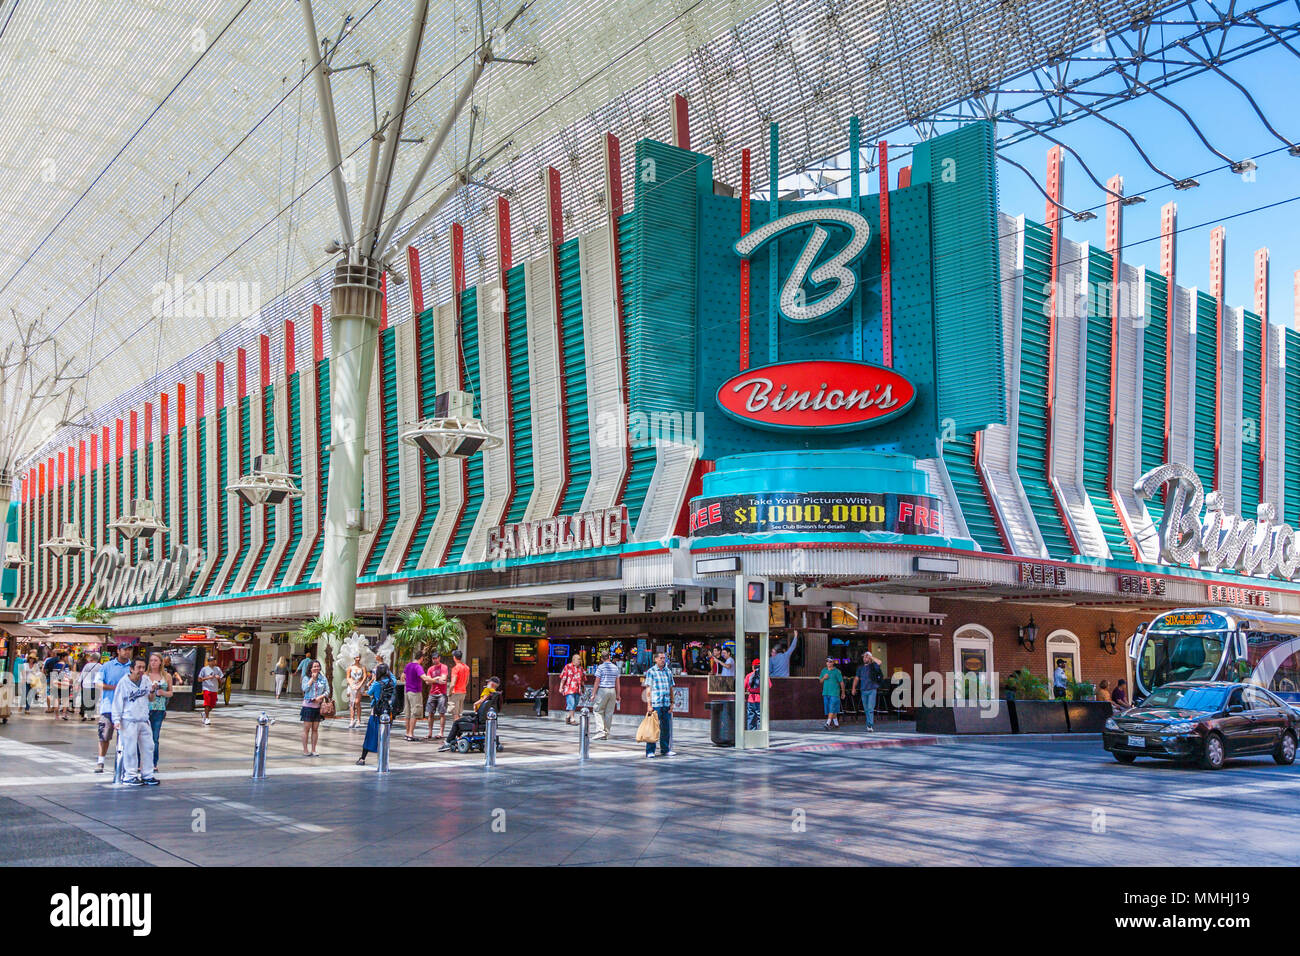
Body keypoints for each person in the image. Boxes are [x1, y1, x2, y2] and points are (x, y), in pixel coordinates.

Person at [110, 658, 160, 787]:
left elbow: (151, 699)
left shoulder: (145, 680)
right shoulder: (123, 683)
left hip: (143, 719)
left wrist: (153, 690)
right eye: (139, 667)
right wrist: (116, 719)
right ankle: (130, 775)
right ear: (131, 668)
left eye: (144, 667)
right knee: (130, 749)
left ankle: (147, 775)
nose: (142, 670)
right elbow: (117, 702)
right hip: (128, 720)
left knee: (149, 747)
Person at [94, 644, 133, 773]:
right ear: (118, 651)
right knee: (104, 735)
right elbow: (98, 683)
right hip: (109, 706)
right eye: (125, 650)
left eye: (129, 650)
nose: (127, 652)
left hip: (128, 708)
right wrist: (114, 688)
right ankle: (100, 761)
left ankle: (127, 763)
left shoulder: (133, 667)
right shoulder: (107, 666)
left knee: (128, 737)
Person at [440, 677, 502, 751]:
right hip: (487, 720)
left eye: (488, 682)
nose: (487, 684)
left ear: (491, 683)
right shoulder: (496, 695)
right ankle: (456, 738)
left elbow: (483, 699)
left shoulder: (487, 690)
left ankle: (448, 742)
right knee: (462, 720)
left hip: (477, 719)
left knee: (457, 722)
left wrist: (475, 703)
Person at [357, 663, 398, 765]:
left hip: (376, 712)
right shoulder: (392, 682)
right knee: (384, 735)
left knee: (370, 735)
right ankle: (383, 758)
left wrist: (374, 679)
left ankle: (362, 758)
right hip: (388, 712)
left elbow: (369, 693)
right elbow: (393, 679)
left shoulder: (376, 683)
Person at [642, 651, 676, 758]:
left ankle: (665, 749)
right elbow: (648, 689)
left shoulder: (668, 672)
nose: (663, 660)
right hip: (656, 703)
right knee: (653, 727)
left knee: (666, 728)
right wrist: (649, 704)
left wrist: (672, 702)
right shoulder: (651, 672)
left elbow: (671, 688)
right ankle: (650, 751)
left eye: (664, 658)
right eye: (660, 658)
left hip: (666, 703)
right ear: (655, 659)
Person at [143, 653, 174, 769]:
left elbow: (171, 693)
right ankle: (140, 761)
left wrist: (163, 693)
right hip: (145, 708)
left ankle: (153, 762)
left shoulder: (167, 676)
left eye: (156, 660)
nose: (153, 663)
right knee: (142, 736)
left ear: (160, 662)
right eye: (151, 660)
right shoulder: (145, 675)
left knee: (154, 737)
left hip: (159, 709)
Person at [300, 660, 329, 757]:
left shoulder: (323, 678)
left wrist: (320, 697)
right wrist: (312, 679)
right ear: (310, 668)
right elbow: (304, 689)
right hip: (308, 706)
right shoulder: (306, 677)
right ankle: (305, 749)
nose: (316, 668)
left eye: (318, 666)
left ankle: (313, 749)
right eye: (314, 667)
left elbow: (327, 691)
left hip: (318, 707)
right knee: (306, 729)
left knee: (315, 729)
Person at [591, 650, 621, 740]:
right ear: (609, 657)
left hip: (603, 690)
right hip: (612, 690)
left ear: (601, 658)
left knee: (597, 710)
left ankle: (600, 731)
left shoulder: (600, 667)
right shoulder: (615, 667)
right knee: (609, 713)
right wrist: (618, 694)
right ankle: (606, 733)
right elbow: (617, 683)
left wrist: (593, 694)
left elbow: (597, 681)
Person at [850, 651, 884, 732]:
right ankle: (868, 724)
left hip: (872, 689)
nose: (864, 658)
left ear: (870, 658)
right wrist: (853, 688)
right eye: (864, 657)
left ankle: (870, 725)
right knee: (866, 709)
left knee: (870, 708)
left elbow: (879, 662)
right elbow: (857, 678)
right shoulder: (860, 668)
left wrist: (871, 657)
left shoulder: (873, 666)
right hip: (863, 690)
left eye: (866, 657)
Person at [421, 651, 450, 740]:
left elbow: (444, 678)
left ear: (439, 658)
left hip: (441, 693)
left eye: (436, 658)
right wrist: (437, 679)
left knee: (442, 713)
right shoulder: (430, 669)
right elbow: (426, 681)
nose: (435, 660)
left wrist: (432, 679)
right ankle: (430, 732)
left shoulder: (444, 667)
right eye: (433, 658)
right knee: (430, 713)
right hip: (432, 693)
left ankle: (441, 732)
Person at [401, 653, 425, 741]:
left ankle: (407, 733)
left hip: (407, 691)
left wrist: (408, 682)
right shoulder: (417, 667)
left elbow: (402, 677)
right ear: (421, 658)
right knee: (414, 713)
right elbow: (424, 677)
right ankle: (411, 734)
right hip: (415, 692)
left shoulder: (408, 665)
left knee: (408, 713)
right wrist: (435, 679)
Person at [559, 653, 586, 725]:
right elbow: (563, 678)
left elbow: (582, 679)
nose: (580, 661)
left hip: (577, 689)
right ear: (573, 660)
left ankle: (568, 716)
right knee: (571, 703)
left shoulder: (581, 668)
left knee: (575, 703)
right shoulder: (567, 667)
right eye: (578, 659)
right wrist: (561, 687)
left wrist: (583, 687)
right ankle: (572, 719)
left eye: (580, 659)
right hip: (569, 688)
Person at [76, 652, 104, 721]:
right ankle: (91, 715)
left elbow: (82, 674)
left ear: (92, 658)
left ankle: (85, 715)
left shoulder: (87, 665)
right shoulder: (100, 666)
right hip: (95, 685)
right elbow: (101, 676)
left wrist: (78, 683)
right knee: (93, 700)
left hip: (86, 684)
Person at [819, 656, 845, 728]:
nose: (828, 663)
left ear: (833, 662)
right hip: (826, 692)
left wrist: (843, 692)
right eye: (827, 661)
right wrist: (824, 678)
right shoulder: (824, 670)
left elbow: (841, 682)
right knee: (830, 709)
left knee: (832, 707)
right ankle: (836, 723)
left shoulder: (837, 671)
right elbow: (820, 681)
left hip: (834, 693)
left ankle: (828, 723)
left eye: (830, 661)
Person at [744, 658, 769, 730]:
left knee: (750, 717)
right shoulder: (764, 675)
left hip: (750, 699)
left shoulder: (748, 675)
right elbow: (769, 685)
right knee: (760, 717)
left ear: (753, 667)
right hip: (760, 698)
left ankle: (751, 734)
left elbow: (743, 686)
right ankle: (760, 734)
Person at [197, 656, 223, 725]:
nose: (213, 662)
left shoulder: (217, 669)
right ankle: (207, 718)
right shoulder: (204, 669)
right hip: (207, 688)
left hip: (214, 689)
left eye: (214, 660)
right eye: (212, 661)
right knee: (207, 703)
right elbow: (199, 679)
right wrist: (207, 678)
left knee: (213, 704)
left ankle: (205, 713)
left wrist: (218, 678)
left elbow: (222, 680)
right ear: (208, 662)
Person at [447, 649, 470, 720]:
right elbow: (467, 681)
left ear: (454, 657)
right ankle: (458, 729)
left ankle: (456, 730)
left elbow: (453, 683)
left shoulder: (455, 668)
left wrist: (449, 693)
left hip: (455, 693)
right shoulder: (466, 667)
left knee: (455, 714)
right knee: (459, 713)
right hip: (463, 692)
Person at [346, 655, 367, 729]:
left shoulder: (363, 667)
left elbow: (364, 677)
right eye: (356, 657)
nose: (358, 659)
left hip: (360, 685)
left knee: (357, 702)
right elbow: (348, 677)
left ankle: (358, 720)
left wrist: (360, 685)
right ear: (354, 658)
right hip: (352, 685)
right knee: (351, 703)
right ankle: (352, 719)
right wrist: (351, 685)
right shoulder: (350, 667)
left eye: (359, 657)